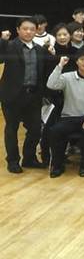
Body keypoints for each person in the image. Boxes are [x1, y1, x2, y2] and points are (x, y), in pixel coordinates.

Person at [46, 47, 84, 177]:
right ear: (77, 61)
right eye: (82, 59)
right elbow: (51, 84)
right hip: (69, 117)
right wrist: (60, 66)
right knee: (55, 131)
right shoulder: (67, 77)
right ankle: (57, 166)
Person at [0, 18, 52, 173]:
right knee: (12, 128)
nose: (28, 32)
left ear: (36, 31)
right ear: (18, 29)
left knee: (35, 128)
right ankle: (13, 161)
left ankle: (29, 158)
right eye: (25, 29)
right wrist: (2, 40)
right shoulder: (9, 46)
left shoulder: (40, 50)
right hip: (12, 95)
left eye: (32, 29)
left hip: (33, 95)